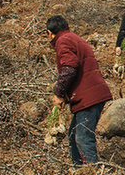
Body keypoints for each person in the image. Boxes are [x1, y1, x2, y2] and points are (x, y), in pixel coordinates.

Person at [47, 15, 113, 166]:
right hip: (89, 94)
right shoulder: (74, 37)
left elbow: (69, 68)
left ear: (50, 33)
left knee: (83, 137)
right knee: (73, 135)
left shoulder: (63, 41)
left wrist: (58, 92)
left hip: (88, 96)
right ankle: (78, 170)